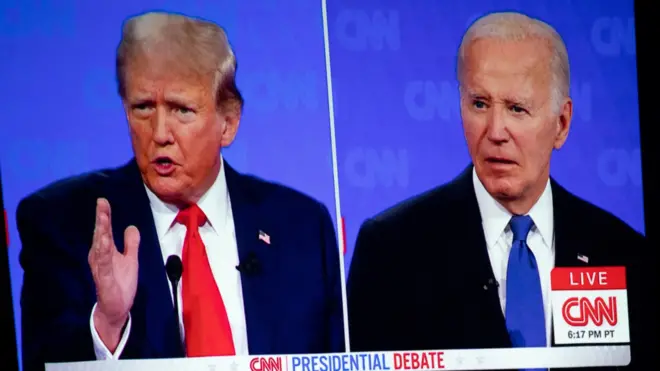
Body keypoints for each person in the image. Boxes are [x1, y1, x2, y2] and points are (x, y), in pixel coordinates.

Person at [17, 11, 344, 371]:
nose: (159, 133)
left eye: (181, 110)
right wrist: (108, 325)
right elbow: (43, 363)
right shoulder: (65, 224)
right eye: (143, 107)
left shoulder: (302, 227)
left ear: (228, 123)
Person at [347, 11, 653, 370]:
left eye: (517, 108)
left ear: (562, 123)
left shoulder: (621, 252)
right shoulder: (392, 249)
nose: (495, 131)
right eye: (479, 104)